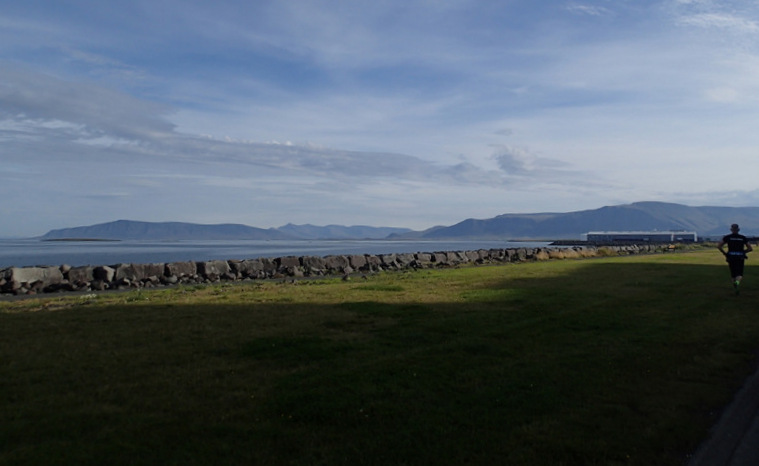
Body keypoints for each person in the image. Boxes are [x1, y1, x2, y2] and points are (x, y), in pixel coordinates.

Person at [717, 223, 753, 294]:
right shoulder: (743, 238)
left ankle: (735, 286)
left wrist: (725, 253)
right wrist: (743, 252)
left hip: (731, 257)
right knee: (739, 274)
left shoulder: (727, 237)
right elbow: (750, 248)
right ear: (738, 230)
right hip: (740, 257)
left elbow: (719, 246)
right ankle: (737, 282)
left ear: (731, 230)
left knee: (733, 273)